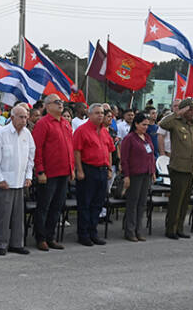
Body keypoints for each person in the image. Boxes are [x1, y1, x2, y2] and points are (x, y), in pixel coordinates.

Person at [0, 106, 34, 256]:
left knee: (18, 215)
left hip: (20, 180)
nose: (24, 120)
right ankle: (1, 244)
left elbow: (31, 156)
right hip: (5, 181)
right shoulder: (1, 133)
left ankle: (17, 243)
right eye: (21, 117)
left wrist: (29, 176)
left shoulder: (27, 134)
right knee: (4, 215)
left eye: (26, 117)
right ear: (12, 117)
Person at [32, 94, 75, 251]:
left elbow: (70, 147)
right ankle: (40, 237)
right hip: (48, 173)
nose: (60, 104)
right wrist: (40, 171)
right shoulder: (43, 124)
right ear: (47, 106)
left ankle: (51, 236)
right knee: (44, 206)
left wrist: (72, 169)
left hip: (63, 172)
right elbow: (38, 149)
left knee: (57, 206)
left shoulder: (65, 123)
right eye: (57, 102)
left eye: (62, 102)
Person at [73, 104, 114, 246]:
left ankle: (93, 232)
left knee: (97, 203)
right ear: (89, 115)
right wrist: (79, 170)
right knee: (85, 203)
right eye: (97, 113)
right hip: (88, 169)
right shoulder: (81, 130)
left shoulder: (104, 131)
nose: (100, 115)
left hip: (102, 170)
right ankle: (83, 234)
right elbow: (76, 151)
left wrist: (109, 168)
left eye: (102, 113)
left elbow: (109, 150)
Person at [158, 98, 193, 239]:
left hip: (190, 168)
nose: (192, 112)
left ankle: (180, 227)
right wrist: (178, 113)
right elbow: (162, 123)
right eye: (190, 109)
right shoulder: (175, 123)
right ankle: (171, 229)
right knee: (176, 201)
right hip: (179, 167)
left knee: (184, 201)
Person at [120, 112, 156, 242]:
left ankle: (138, 230)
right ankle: (130, 230)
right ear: (136, 124)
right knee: (132, 203)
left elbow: (151, 155)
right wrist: (126, 176)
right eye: (143, 124)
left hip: (146, 173)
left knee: (142, 203)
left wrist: (153, 172)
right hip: (135, 174)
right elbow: (124, 159)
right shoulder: (130, 138)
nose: (146, 127)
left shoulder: (147, 137)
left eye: (147, 125)